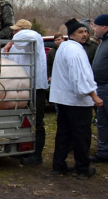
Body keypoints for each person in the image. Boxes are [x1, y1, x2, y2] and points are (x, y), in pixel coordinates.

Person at [50, 18, 102, 179]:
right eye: (80, 32)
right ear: (71, 35)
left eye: (86, 31)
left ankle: (59, 166)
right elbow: (80, 76)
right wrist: (94, 95)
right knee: (81, 136)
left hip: (63, 99)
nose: (85, 34)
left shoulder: (64, 47)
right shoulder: (75, 50)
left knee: (64, 134)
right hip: (77, 101)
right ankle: (82, 169)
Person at [3, 19, 49, 165]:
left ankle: (37, 155)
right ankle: (22, 150)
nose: (14, 32)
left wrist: (10, 43)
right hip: (20, 87)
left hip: (36, 87)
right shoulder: (18, 44)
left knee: (37, 121)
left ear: (24, 30)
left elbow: (27, 35)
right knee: (21, 118)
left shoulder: (34, 38)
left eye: (17, 30)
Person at [91, 14, 108, 163]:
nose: (93, 29)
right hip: (100, 87)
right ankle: (103, 153)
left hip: (106, 87)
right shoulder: (103, 42)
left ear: (104, 27)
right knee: (101, 121)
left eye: (95, 26)